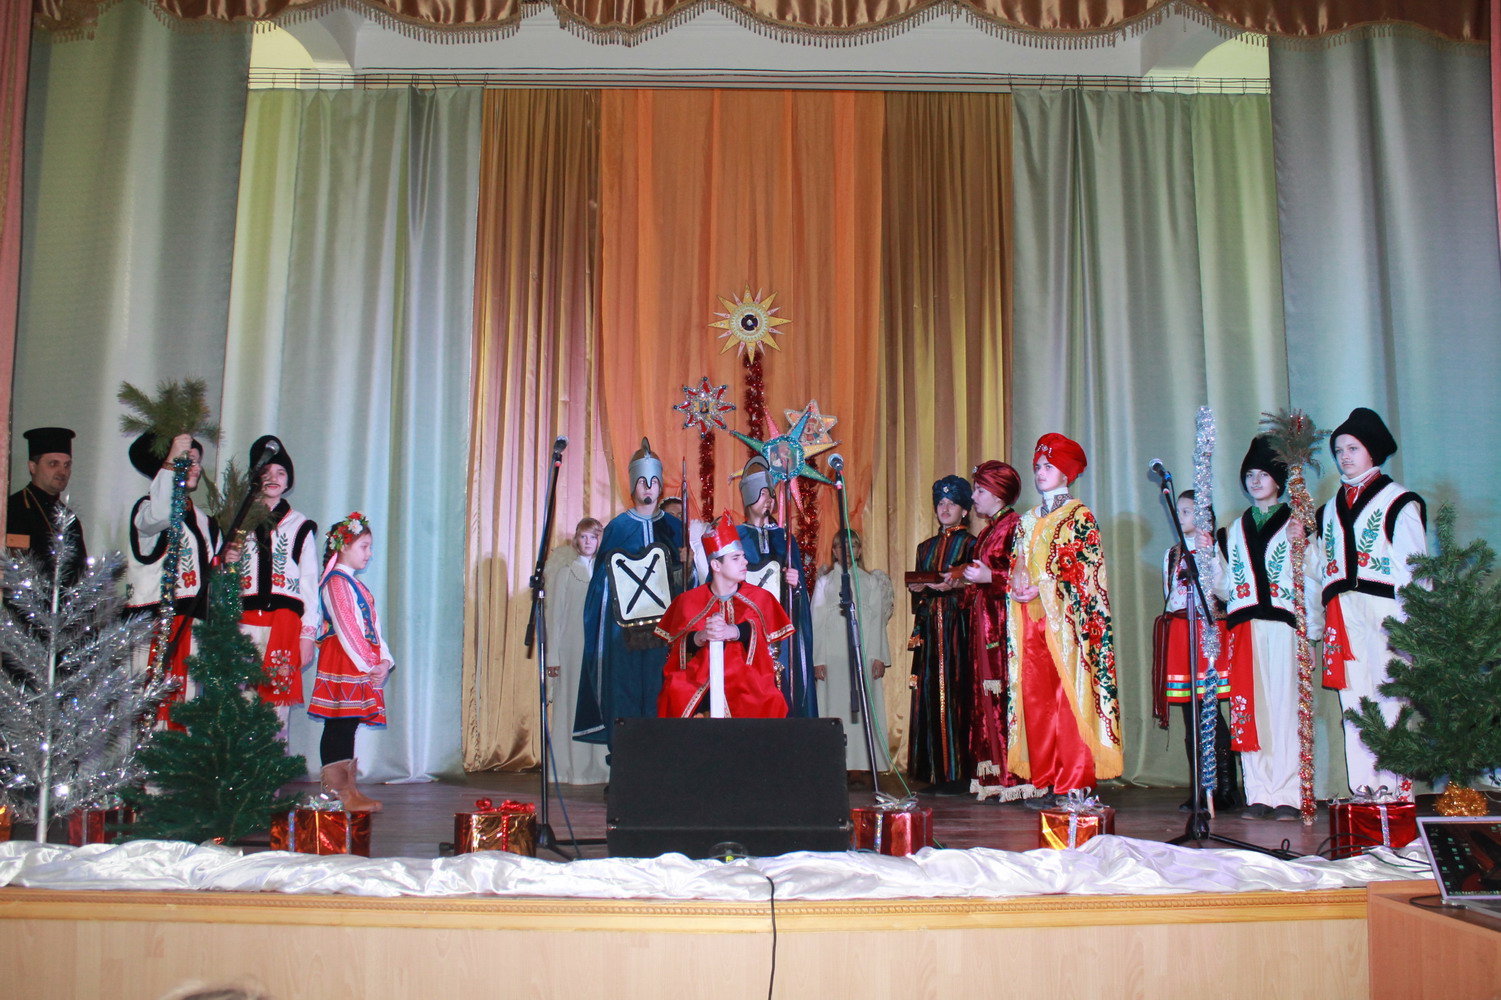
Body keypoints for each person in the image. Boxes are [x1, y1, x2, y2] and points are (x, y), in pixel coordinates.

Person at [1313, 407, 1425, 798]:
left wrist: (1413, 623)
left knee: (1389, 696)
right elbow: (1320, 569)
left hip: (1387, 609)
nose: (1344, 456)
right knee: (1354, 701)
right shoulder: (1327, 510)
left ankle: (1394, 792)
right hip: (1343, 612)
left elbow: (1415, 567)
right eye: (1338, 450)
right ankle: (1363, 789)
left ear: (1372, 451)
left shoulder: (1399, 501)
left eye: (1353, 448)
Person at [1006, 433, 1122, 808]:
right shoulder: (1026, 521)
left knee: (1067, 700)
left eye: (1049, 466)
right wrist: (1018, 585)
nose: (1040, 472)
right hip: (1031, 624)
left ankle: (1073, 781)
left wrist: (1043, 587)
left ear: (1066, 473)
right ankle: (1045, 777)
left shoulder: (1079, 517)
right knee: (1036, 700)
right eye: (1037, 466)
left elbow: (1085, 575)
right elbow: (1017, 564)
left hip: (1067, 628)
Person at [1216, 439, 1322, 821]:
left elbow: (1313, 581)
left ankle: (1289, 793)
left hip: (1285, 627)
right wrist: (1207, 556)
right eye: (1250, 475)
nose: (1256, 481)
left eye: (1263, 474)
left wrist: (1311, 636)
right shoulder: (1234, 528)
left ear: (1278, 480)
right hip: (1245, 628)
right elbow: (1224, 586)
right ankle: (1259, 791)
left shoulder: (1297, 523)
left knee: (1286, 708)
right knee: (1250, 710)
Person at [574, 437, 686, 750]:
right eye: (642, 482)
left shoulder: (674, 527)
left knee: (660, 692)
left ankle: (660, 760)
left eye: (654, 481)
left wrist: (687, 565)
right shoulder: (618, 528)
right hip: (625, 634)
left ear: (660, 485)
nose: (648, 488)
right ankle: (625, 760)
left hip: (664, 631)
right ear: (633, 485)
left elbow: (687, 584)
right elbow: (600, 583)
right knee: (625, 693)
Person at [126, 432, 221, 728]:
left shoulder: (204, 520)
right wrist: (171, 462)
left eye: (197, 462)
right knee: (154, 715)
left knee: (187, 711)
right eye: (187, 461)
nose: (196, 468)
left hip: (194, 628)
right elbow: (164, 511)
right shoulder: (147, 511)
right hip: (158, 627)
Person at [1152, 488, 1238, 813]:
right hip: (1180, 632)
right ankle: (1200, 789)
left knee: (1210, 711)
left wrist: (1210, 555)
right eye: (1179, 511)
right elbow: (1169, 594)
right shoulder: (1172, 554)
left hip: (1206, 633)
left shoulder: (1215, 550)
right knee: (1191, 715)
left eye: (1187, 511)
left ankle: (1225, 789)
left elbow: (1225, 591)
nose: (1181, 516)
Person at [656, 515, 789, 719]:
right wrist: (700, 636)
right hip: (698, 675)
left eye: (743, 556)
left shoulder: (761, 598)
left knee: (767, 698)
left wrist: (733, 631)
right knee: (675, 691)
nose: (745, 562)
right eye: (736, 558)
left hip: (747, 676)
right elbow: (677, 646)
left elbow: (764, 637)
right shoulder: (688, 601)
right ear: (716, 566)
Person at [960, 460, 1039, 803]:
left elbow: (1027, 577)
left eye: (979, 490)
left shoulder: (1015, 527)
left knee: (1006, 700)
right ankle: (994, 776)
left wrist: (988, 577)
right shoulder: (988, 531)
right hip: (984, 626)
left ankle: (1016, 775)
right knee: (986, 702)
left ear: (997, 494)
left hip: (1005, 629)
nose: (974, 497)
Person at [231, 436, 319, 731]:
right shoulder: (238, 521)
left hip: (284, 622)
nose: (273, 478)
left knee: (276, 701)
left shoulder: (300, 525)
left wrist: (307, 635)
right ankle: (241, 757)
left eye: (281, 472)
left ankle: (273, 755)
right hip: (243, 621)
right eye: (266, 472)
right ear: (255, 478)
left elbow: (309, 582)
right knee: (242, 696)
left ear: (288, 480)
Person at [308, 512, 391, 812]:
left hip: (357, 660)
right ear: (343, 546)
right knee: (340, 723)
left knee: (347, 723)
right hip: (344, 660)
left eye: (370, 547)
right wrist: (371, 665)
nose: (369, 553)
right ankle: (339, 794)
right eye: (364, 546)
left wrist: (385, 661)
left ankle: (348, 791)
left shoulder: (354, 584)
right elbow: (348, 629)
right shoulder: (336, 582)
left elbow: (372, 629)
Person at [906, 475, 976, 791]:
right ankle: (932, 773)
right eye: (941, 503)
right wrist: (920, 589)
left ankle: (961, 776)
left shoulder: (973, 545)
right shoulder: (925, 548)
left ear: (964, 509)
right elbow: (919, 595)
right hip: (931, 636)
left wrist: (956, 587)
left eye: (952, 503)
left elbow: (980, 590)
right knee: (930, 696)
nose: (945, 508)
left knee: (960, 696)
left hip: (959, 632)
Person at [736, 456, 816, 718]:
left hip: (779, 634)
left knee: (782, 696)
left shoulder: (784, 538)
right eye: (761, 493)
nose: (768, 499)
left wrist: (795, 586)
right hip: (746, 633)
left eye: (770, 493)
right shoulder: (735, 537)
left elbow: (797, 598)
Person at [812, 529, 894, 777]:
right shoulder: (824, 583)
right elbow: (816, 621)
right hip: (833, 658)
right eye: (841, 546)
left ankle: (862, 765)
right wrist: (818, 659)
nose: (846, 551)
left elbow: (878, 621)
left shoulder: (870, 582)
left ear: (859, 551)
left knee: (863, 708)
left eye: (852, 546)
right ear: (834, 551)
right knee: (834, 707)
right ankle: (835, 763)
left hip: (863, 657)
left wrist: (879, 656)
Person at [543, 517, 609, 784]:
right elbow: (555, 617)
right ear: (576, 540)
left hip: (599, 650)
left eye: (593, 537)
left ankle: (602, 767)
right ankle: (571, 768)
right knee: (570, 703)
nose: (588, 542)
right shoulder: (566, 573)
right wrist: (553, 656)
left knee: (600, 704)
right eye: (583, 537)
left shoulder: (606, 573)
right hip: (572, 649)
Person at [6, 426, 86, 585]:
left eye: (66, 465)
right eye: (53, 464)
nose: (62, 472)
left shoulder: (69, 518)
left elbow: (81, 572)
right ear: (32, 467)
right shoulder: (13, 508)